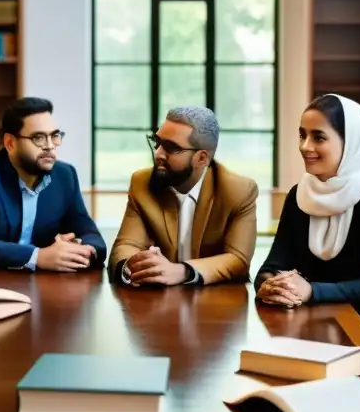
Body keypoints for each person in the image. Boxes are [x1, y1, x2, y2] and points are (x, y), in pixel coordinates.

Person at [254, 94, 360, 346]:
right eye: (303, 135)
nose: (305, 146)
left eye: (319, 137)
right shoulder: (298, 195)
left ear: (350, 143)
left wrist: (310, 290)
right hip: (321, 318)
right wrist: (270, 285)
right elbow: (272, 265)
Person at [0, 97, 106, 271]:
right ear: (10, 143)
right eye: (38, 138)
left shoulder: (65, 175)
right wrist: (38, 256)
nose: (49, 146)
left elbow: (90, 234)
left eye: (54, 136)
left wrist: (84, 249)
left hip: (49, 285)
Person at [109, 106, 257, 286]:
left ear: (202, 158)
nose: (158, 154)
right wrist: (133, 265)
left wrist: (182, 271)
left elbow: (238, 259)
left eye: (171, 148)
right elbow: (125, 246)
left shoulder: (238, 190)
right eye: (157, 142)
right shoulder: (142, 183)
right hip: (155, 303)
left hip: (216, 304)